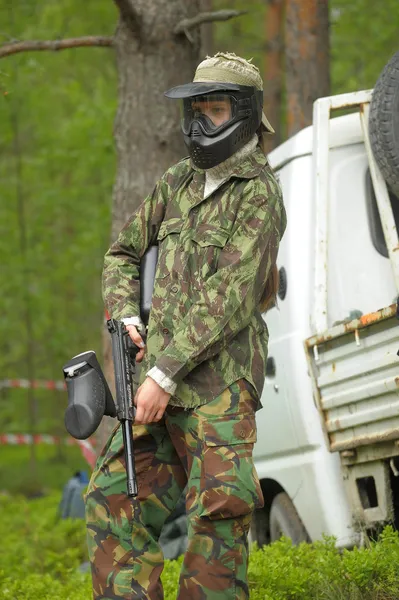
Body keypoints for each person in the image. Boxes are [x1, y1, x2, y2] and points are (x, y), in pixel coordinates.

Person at [85, 52, 287, 600]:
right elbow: (122, 254)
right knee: (112, 500)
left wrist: (164, 375)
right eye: (196, 110)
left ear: (244, 115)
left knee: (218, 522)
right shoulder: (176, 181)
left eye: (214, 111)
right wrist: (125, 313)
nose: (200, 125)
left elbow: (229, 299)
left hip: (218, 389)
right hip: (155, 384)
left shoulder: (259, 195)